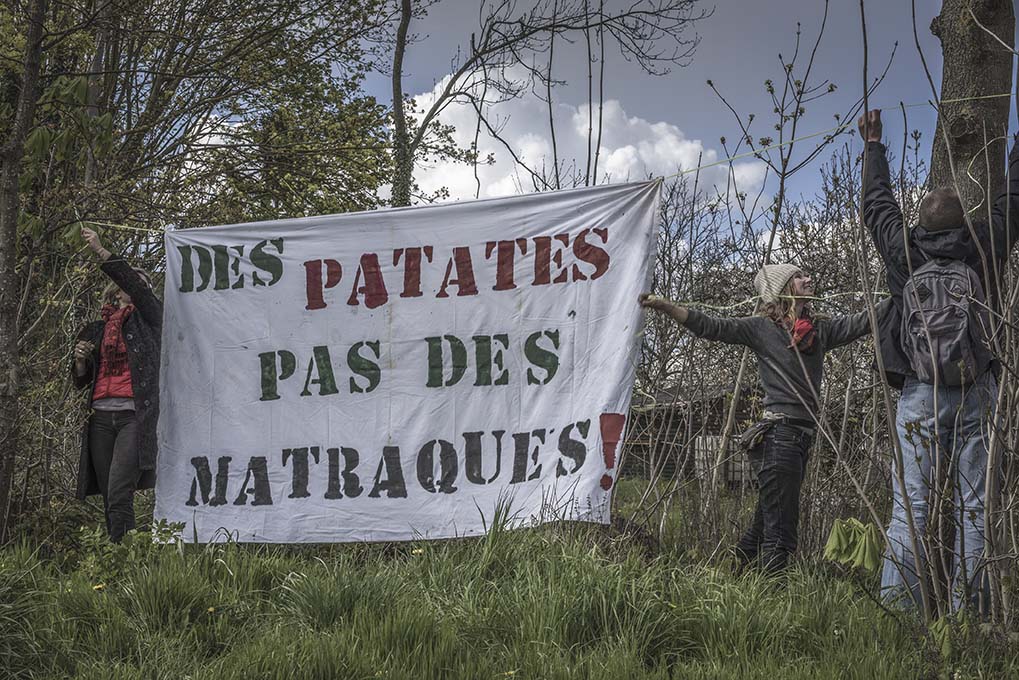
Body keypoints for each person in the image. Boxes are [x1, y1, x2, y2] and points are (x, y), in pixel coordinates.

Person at [859, 109, 1019, 612]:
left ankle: (899, 612)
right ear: (965, 222)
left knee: (910, 509)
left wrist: (874, 145)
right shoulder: (983, 246)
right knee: (973, 509)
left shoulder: (903, 250)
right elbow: (1012, 203)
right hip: (977, 386)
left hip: (919, 391)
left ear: (921, 222)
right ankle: (970, 616)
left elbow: (876, 206)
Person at [640, 266, 888, 575]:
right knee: (781, 532)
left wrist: (902, 291)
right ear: (783, 288)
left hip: (800, 437)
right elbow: (711, 326)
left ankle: (733, 576)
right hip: (778, 437)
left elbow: (863, 322)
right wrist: (666, 307)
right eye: (799, 277)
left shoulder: (818, 331)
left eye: (805, 274)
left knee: (765, 521)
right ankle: (774, 595)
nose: (808, 278)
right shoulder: (761, 328)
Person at [72, 227, 162, 542]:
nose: (138, 285)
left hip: (133, 416)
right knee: (111, 496)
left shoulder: (150, 321)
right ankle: (119, 556)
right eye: (131, 281)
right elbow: (82, 380)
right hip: (99, 416)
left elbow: (137, 288)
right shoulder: (96, 328)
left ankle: (125, 554)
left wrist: (100, 250)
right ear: (114, 292)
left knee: (119, 488)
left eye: (142, 283)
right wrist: (81, 359)